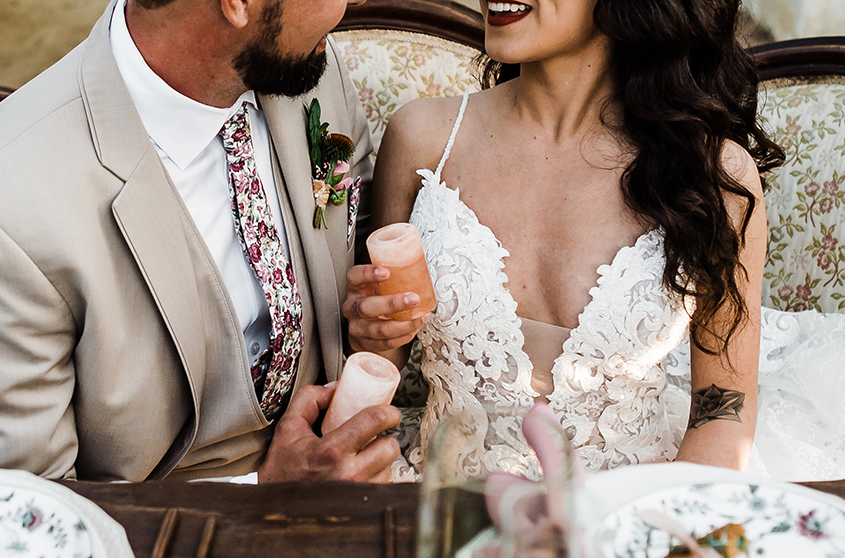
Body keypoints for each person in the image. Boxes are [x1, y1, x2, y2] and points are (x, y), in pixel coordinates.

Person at [345, 0, 845, 482]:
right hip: (447, 504)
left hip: (632, 511)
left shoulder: (714, 179)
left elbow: (721, 412)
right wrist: (372, 337)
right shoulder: (423, 138)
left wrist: (647, 543)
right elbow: (382, 358)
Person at [0, 0, 402, 483]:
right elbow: (17, 527)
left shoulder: (307, 66)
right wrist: (264, 500)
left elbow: (350, 240)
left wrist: (370, 319)